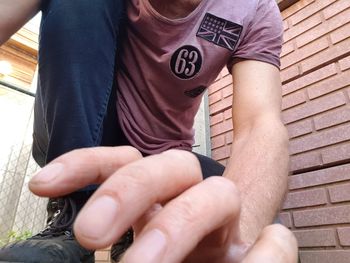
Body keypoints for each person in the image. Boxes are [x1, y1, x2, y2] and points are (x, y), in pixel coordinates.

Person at [0, 0, 298, 262]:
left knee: (260, 228)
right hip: (86, 128)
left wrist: (233, 241)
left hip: (164, 156)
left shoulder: (255, 9)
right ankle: (72, 214)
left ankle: (137, 230)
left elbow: (260, 124)